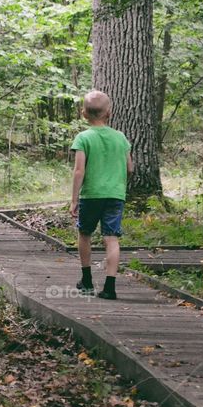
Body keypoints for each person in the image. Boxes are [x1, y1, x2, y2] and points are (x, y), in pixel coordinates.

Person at [69, 90, 132, 300]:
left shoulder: (83, 137)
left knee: (85, 234)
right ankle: (110, 286)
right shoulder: (121, 138)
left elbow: (79, 171)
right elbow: (130, 168)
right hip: (115, 195)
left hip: (91, 195)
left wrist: (74, 199)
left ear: (84, 114)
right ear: (109, 112)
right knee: (111, 238)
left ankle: (86, 281)